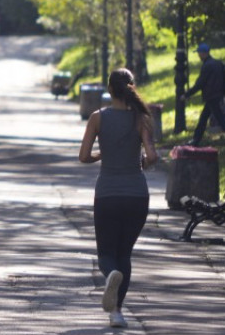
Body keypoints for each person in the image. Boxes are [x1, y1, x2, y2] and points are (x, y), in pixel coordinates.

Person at [79, 68, 159, 329]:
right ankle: (117, 313)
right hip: (137, 195)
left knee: (107, 255)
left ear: (109, 90)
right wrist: (142, 164)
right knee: (124, 253)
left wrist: (101, 156)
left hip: (108, 194)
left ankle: (110, 277)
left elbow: (83, 156)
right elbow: (152, 156)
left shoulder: (97, 118)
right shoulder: (140, 119)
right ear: (131, 88)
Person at [179, 43, 225, 146]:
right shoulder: (217, 63)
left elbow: (199, 83)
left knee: (217, 119)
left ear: (204, 53)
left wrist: (187, 95)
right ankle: (196, 140)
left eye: (199, 53)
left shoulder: (207, 66)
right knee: (205, 119)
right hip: (217, 95)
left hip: (212, 96)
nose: (198, 55)